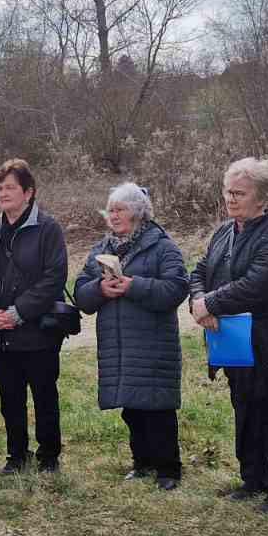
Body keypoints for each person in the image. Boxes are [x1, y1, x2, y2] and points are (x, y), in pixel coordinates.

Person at [190, 158, 268, 512]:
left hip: (266, 336)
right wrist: (199, 300)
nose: (231, 198)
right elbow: (199, 271)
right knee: (243, 406)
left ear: (262, 197)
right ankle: (252, 478)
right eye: (228, 191)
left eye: (239, 193)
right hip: (231, 337)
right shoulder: (224, 231)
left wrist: (210, 303)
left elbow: (258, 284)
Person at [74, 183, 188, 489]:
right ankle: (142, 463)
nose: (113, 216)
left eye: (120, 210)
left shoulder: (163, 247)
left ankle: (168, 470)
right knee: (132, 408)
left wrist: (133, 286)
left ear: (138, 212)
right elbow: (80, 293)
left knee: (158, 408)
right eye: (110, 210)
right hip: (119, 345)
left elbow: (176, 288)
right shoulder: (102, 249)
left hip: (153, 342)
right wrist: (100, 289)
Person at [0, 159, 70, 475]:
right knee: (9, 399)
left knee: (44, 396)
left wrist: (17, 313)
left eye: (10, 187)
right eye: (0, 188)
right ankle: (16, 455)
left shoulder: (48, 229)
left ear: (28, 192)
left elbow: (54, 278)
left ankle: (49, 457)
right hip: (1, 334)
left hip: (38, 333)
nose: (3, 193)